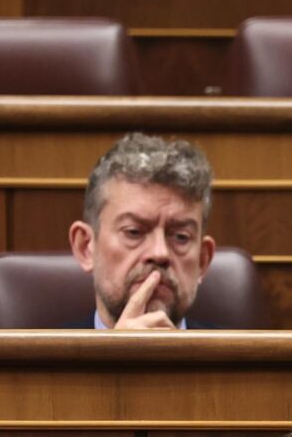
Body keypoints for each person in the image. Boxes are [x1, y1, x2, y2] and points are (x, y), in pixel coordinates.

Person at [69, 132, 216, 329]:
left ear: (202, 260)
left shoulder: (244, 358)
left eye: (181, 237)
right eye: (134, 232)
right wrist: (110, 357)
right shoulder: (37, 357)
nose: (159, 253)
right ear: (86, 247)